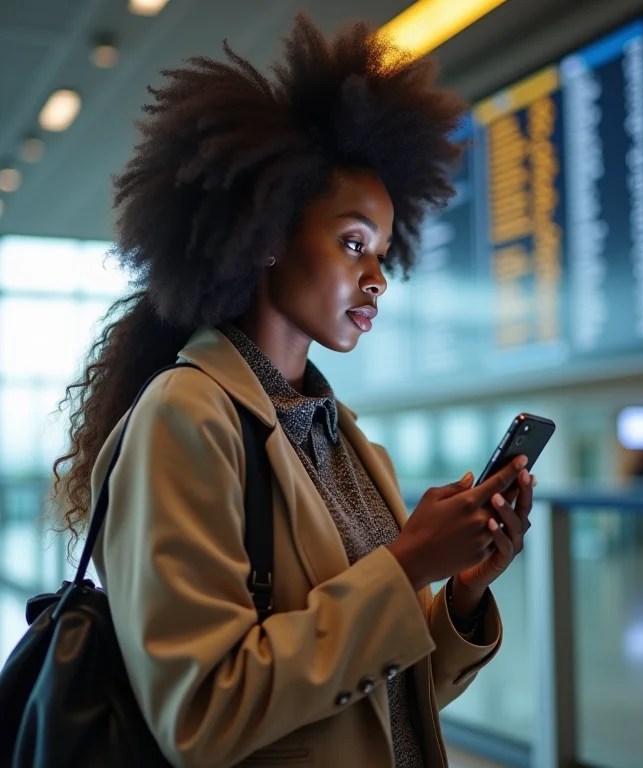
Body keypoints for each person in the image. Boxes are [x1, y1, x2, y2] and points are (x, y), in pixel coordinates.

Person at [52, 15, 535, 768]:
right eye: (352, 243)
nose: (377, 278)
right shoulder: (187, 417)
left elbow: (379, 704)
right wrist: (407, 564)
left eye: (382, 253)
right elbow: (202, 715)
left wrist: (464, 593)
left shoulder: (344, 440)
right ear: (270, 234)